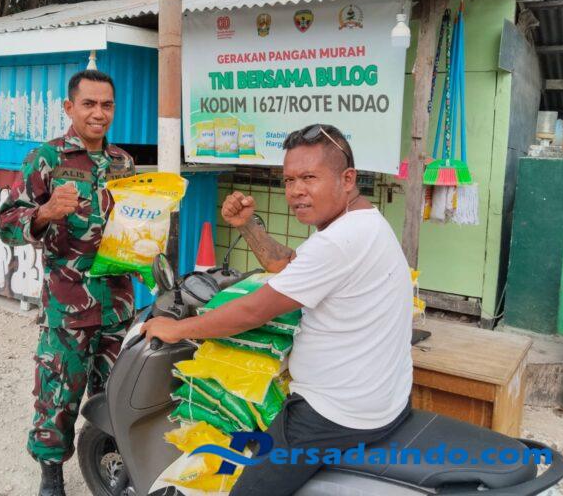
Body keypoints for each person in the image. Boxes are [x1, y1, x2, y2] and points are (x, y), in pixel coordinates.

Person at [142, 124, 413, 495]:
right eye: (289, 180)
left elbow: (252, 312)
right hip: (382, 399)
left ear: (347, 179)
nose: (296, 191)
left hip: (335, 414)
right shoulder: (360, 222)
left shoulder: (340, 240)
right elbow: (285, 265)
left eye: (309, 178)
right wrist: (247, 225)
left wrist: (177, 329)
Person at [0, 69, 135, 496]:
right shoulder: (47, 159)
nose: (99, 113)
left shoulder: (123, 163)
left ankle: (109, 462)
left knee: (116, 392)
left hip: (117, 304)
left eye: (107, 105)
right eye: (89, 104)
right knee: (58, 393)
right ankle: (51, 475)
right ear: (69, 107)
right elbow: (5, 224)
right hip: (68, 306)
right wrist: (45, 213)